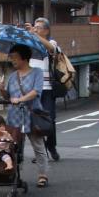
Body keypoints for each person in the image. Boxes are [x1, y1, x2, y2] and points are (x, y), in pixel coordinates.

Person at [0, 44, 49, 188]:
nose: (12, 61)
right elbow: (9, 97)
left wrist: (21, 99)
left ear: (24, 58)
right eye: (11, 58)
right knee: (15, 147)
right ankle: (15, 173)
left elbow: (36, 91)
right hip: (15, 116)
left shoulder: (37, 72)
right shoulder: (13, 76)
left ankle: (42, 174)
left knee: (38, 146)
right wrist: (1, 90)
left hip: (32, 115)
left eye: (15, 57)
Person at [28, 17, 61, 161]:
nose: (36, 29)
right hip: (33, 89)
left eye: (39, 27)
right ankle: (40, 152)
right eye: (35, 26)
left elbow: (52, 49)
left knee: (49, 119)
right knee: (35, 121)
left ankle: (51, 146)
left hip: (47, 88)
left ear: (46, 30)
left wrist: (34, 35)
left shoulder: (51, 42)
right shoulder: (30, 44)